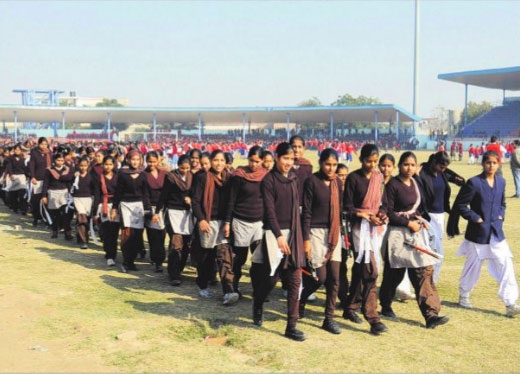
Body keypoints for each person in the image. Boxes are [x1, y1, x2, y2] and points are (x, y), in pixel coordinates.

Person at [379, 151, 449, 329]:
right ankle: (385, 305)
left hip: (415, 233)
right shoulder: (393, 185)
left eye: (412, 165)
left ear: (417, 166)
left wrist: (419, 220)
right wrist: (408, 223)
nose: (409, 168)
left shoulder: (416, 183)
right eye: (405, 164)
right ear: (400, 166)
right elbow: (388, 212)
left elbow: (417, 208)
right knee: (394, 274)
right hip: (397, 234)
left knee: (422, 272)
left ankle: (430, 315)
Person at [452, 150, 520, 317]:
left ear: (499, 164)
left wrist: (501, 215)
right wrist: (475, 218)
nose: (491, 166)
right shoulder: (474, 183)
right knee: (472, 267)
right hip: (478, 234)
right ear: (483, 164)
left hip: (496, 232)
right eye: (488, 162)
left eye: (494, 163)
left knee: (506, 265)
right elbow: (461, 205)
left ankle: (511, 303)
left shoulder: (502, 182)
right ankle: (464, 295)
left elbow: (502, 203)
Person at [250, 142, 307, 341]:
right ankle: (258, 302)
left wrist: (300, 236)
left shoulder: (293, 179)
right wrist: (278, 236)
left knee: (294, 280)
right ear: (276, 157)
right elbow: (269, 211)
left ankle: (291, 325)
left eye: (291, 159)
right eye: (285, 158)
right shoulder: (269, 180)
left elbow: (298, 208)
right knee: (272, 279)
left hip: (294, 233)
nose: (288, 163)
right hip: (274, 234)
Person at [341, 144, 388, 335]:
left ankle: (350, 307)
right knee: (371, 271)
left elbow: (382, 204)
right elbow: (347, 206)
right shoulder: (353, 178)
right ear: (361, 160)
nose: (372, 165)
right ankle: (373, 317)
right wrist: (363, 215)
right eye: (369, 161)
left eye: (375, 162)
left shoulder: (379, 178)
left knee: (361, 270)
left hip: (375, 229)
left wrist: (382, 215)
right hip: (359, 228)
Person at [300, 148, 343, 334]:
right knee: (320, 277)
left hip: (334, 233)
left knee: (334, 278)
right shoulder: (311, 181)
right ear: (320, 163)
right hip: (316, 232)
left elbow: (340, 210)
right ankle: (301, 300)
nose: (331, 168)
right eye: (327, 164)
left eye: (334, 165)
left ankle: (329, 318)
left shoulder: (338, 183)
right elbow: (306, 212)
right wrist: (306, 239)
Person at [191, 149, 238, 305]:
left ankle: (229, 291)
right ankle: (203, 284)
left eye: (222, 161)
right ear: (211, 161)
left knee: (225, 257)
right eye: (216, 160)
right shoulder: (203, 177)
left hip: (223, 222)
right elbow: (195, 201)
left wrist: (228, 222)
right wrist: (201, 220)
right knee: (206, 256)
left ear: (226, 163)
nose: (219, 164)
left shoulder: (229, 179)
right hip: (208, 222)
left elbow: (231, 202)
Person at [225, 145, 267, 297]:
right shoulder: (239, 175)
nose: (253, 164)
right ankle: (234, 287)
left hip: (259, 223)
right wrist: (227, 222)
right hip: (240, 221)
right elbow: (231, 200)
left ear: (262, 161)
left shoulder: (266, 176)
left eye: (257, 161)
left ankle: (258, 290)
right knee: (240, 258)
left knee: (259, 259)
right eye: (251, 160)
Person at [416, 151, 464, 284]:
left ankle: (430, 282)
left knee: (434, 249)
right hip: (427, 216)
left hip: (440, 216)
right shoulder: (422, 172)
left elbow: (453, 177)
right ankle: (428, 283)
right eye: (441, 166)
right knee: (435, 252)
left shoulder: (442, 173)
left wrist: (458, 180)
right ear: (434, 163)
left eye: (445, 167)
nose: (443, 169)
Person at [156, 155, 194, 286]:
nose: (185, 170)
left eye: (188, 168)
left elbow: (194, 193)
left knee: (186, 244)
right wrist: (157, 211)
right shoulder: (171, 177)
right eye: (183, 168)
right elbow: (164, 195)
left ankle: (179, 268)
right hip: (173, 212)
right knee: (176, 243)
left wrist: (191, 199)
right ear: (178, 166)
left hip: (187, 214)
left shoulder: (191, 177)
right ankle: (174, 274)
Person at [111, 150, 151, 272]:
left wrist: (148, 208)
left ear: (141, 161)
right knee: (126, 233)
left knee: (137, 235)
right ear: (128, 160)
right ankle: (126, 261)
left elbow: (145, 194)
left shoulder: (143, 175)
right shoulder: (123, 174)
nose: (135, 162)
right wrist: (114, 208)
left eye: (137, 160)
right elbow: (118, 193)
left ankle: (132, 261)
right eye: (133, 159)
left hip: (138, 206)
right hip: (125, 205)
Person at [93, 155, 120, 267]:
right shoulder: (99, 177)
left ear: (114, 165)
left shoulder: (118, 177)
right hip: (104, 205)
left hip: (116, 205)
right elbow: (97, 194)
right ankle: (110, 255)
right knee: (107, 231)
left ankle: (112, 253)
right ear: (102, 165)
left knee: (114, 232)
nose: (108, 166)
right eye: (106, 164)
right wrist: (95, 212)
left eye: (110, 164)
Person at [42, 153, 75, 240]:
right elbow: (45, 183)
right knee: (54, 214)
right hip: (53, 193)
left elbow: (69, 180)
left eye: (62, 160)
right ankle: (55, 231)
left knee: (66, 214)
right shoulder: (49, 170)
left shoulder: (67, 169)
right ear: (54, 161)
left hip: (64, 193)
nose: (60, 162)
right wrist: (44, 195)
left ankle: (67, 233)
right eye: (58, 160)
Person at [145, 151, 167, 273]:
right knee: (153, 235)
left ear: (158, 161)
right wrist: (150, 210)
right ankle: (157, 261)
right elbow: (145, 194)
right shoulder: (144, 174)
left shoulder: (164, 173)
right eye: (149, 161)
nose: (152, 164)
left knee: (162, 234)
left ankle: (160, 258)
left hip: (163, 207)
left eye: (154, 161)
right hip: (151, 207)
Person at [71, 156, 96, 249]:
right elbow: (70, 185)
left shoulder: (91, 176)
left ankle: (81, 235)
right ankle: (83, 240)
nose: (83, 168)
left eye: (85, 166)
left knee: (86, 220)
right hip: (77, 198)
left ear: (88, 166)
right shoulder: (75, 176)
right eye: (81, 166)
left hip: (88, 199)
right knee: (81, 218)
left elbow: (94, 188)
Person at [29, 137, 52, 226]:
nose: (43, 146)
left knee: (46, 199)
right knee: (37, 199)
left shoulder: (49, 153)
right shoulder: (34, 152)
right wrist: (33, 177)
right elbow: (32, 165)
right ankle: (36, 218)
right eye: (42, 144)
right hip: (38, 179)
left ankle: (46, 218)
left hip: (48, 179)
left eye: (45, 144)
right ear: (38, 144)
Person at [5, 143, 28, 215]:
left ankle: (23, 209)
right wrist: (11, 174)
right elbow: (9, 167)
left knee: (22, 193)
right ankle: (15, 207)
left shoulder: (23, 158)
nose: (17, 151)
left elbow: (26, 168)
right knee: (13, 194)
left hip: (21, 177)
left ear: (21, 151)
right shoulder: (10, 158)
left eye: (18, 150)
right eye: (16, 149)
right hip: (13, 176)